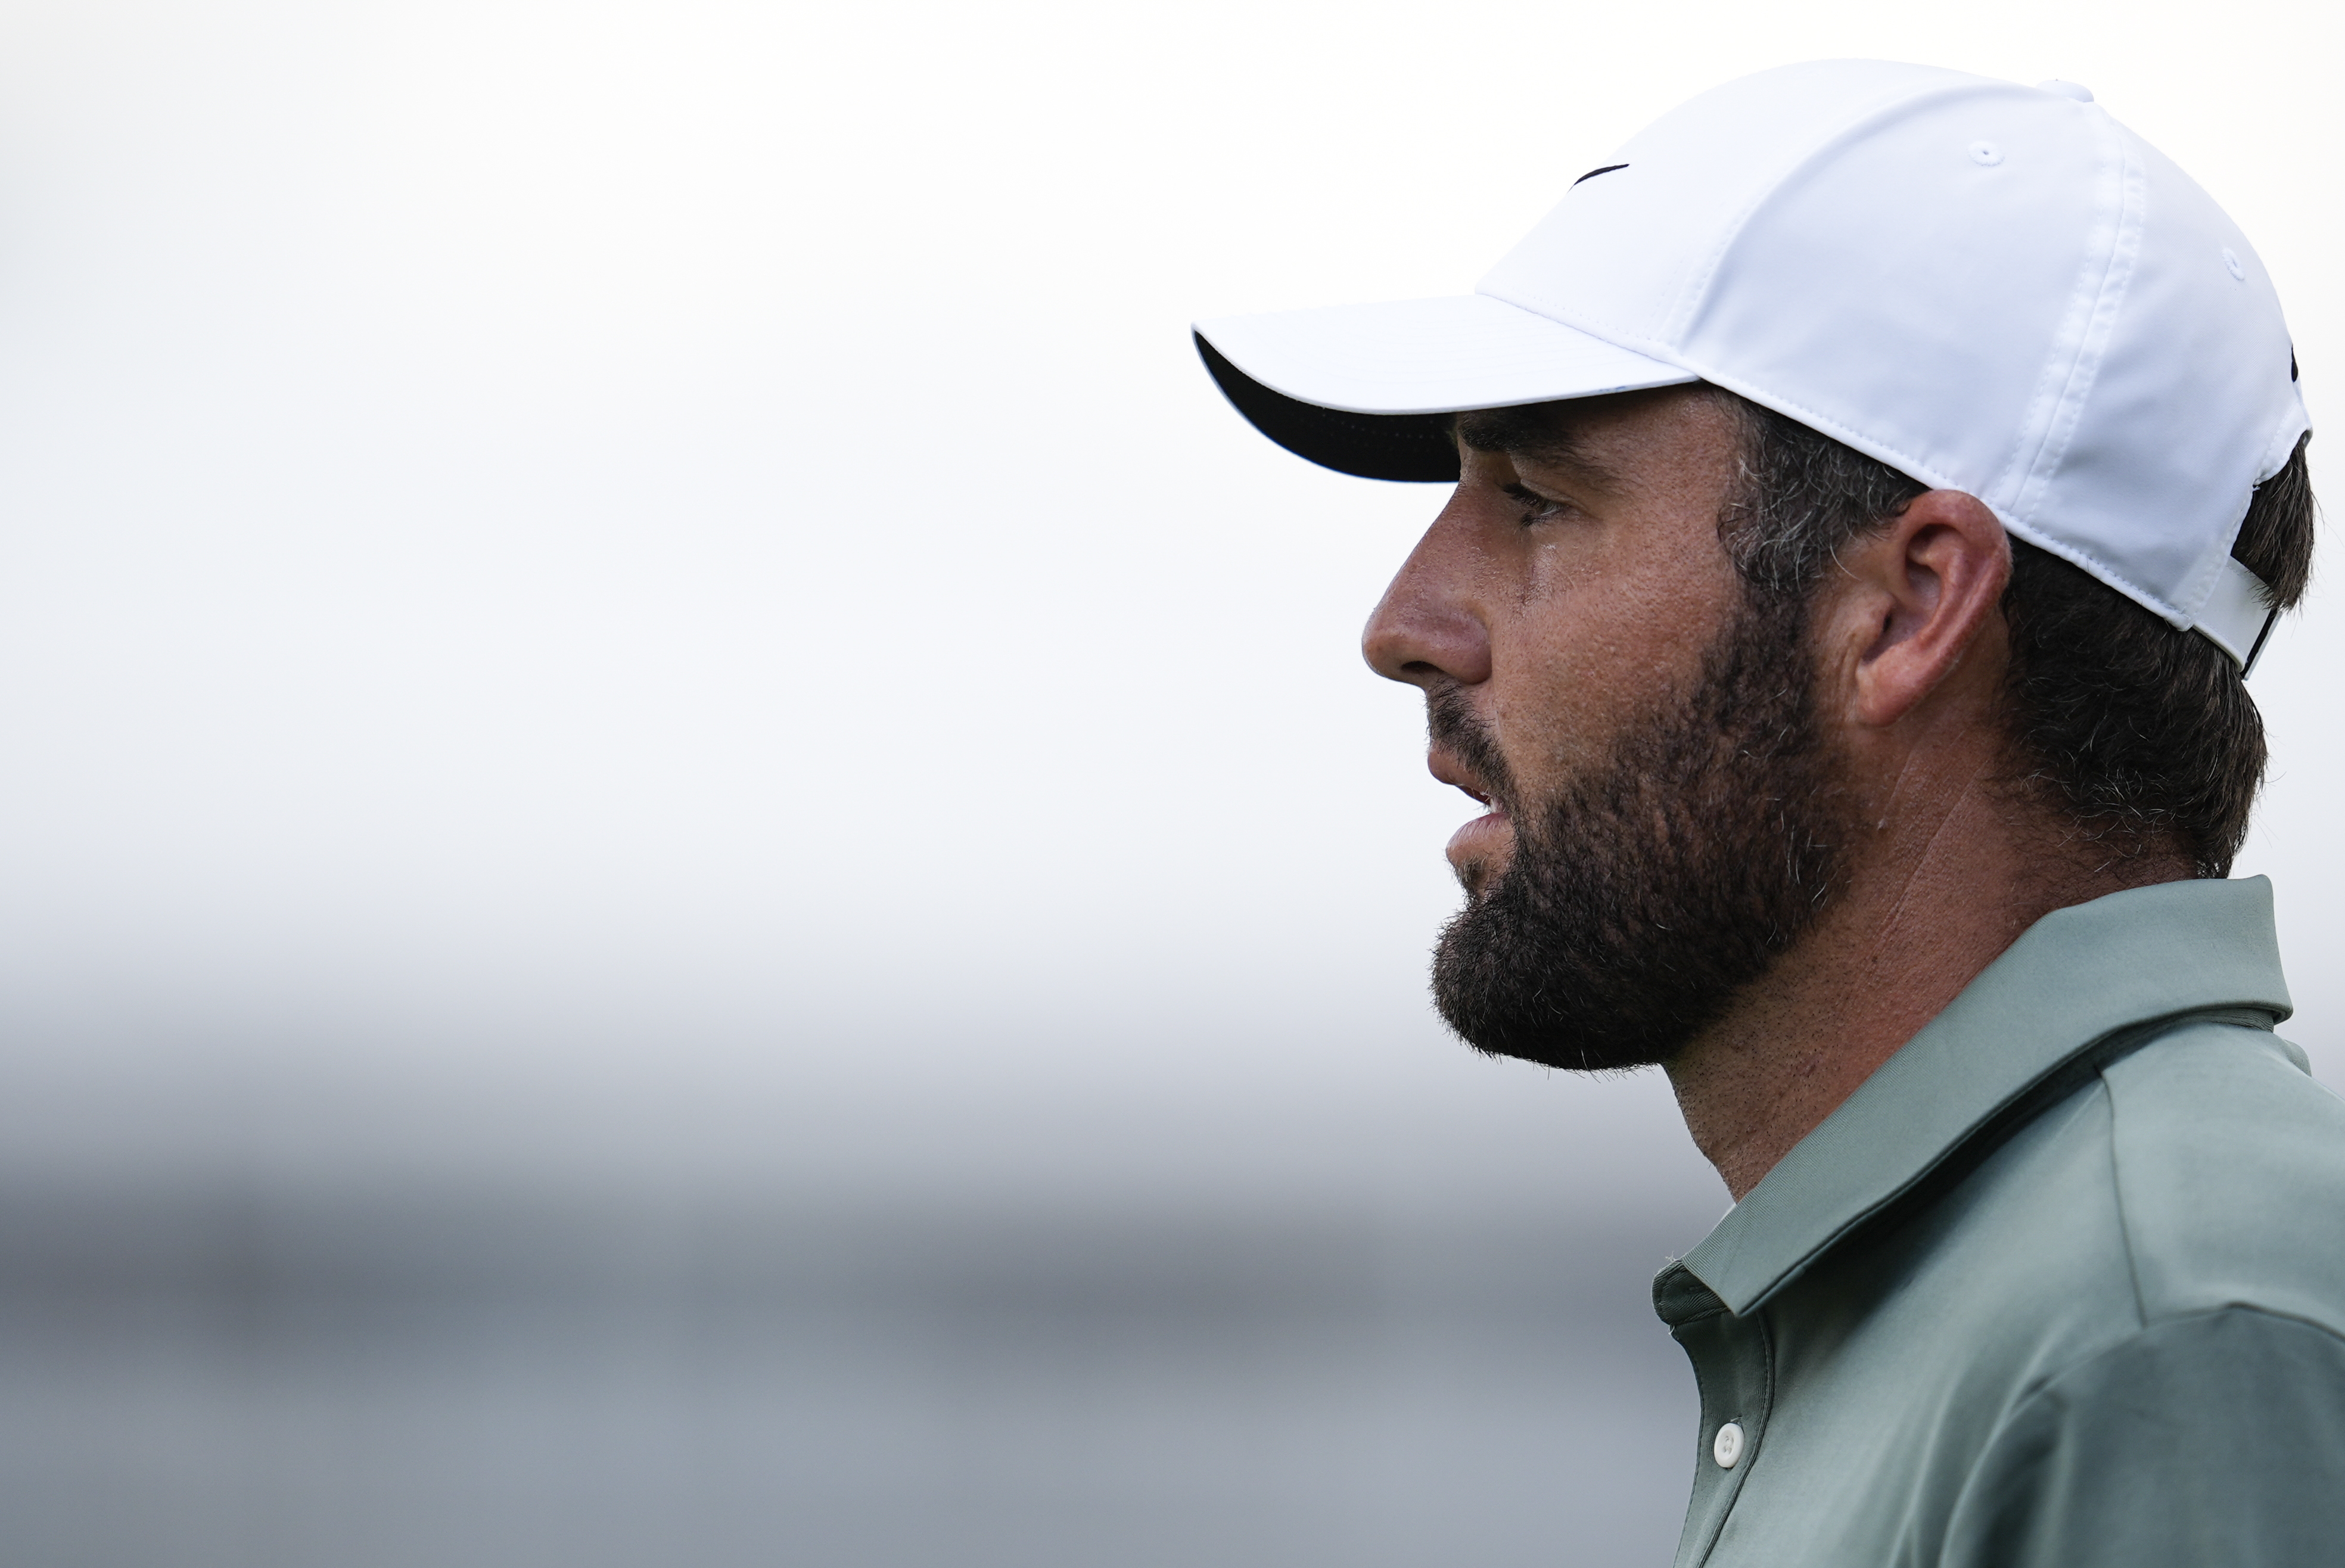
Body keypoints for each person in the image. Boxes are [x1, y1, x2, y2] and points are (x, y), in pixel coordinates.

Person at [1193, 60, 2344, 1567]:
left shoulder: (2166, 1330)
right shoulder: (1996, 1299)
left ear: (1908, 607)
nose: (1404, 620)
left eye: (1538, 497)